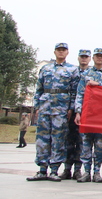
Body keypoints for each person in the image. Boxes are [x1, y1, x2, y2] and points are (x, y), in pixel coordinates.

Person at [27, 43, 80, 182]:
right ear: (55, 52)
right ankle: (42, 169)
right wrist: (37, 107)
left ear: (67, 52)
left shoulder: (72, 69)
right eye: (59, 50)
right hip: (45, 107)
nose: (61, 52)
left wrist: (71, 108)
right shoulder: (46, 68)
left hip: (61, 109)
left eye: (63, 50)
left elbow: (74, 91)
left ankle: (54, 170)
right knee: (42, 139)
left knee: (58, 139)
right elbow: (39, 88)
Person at [74, 47, 102, 183]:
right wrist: (78, 112)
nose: (99, 58)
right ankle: (86, 171)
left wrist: (98, 84)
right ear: (93, 57)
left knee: (99, 145)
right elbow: (80, 94)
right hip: (87, 114)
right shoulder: (86, 74)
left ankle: (97, 172)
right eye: (97, 56)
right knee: (86, 144)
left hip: (101, 115)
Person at [61, 49, 91, 180]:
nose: (84, 59)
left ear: (89, 59)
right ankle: (66, 168)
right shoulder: (71, 71)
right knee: (68, 141)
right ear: (78, 58)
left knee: (81, 142)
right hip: (69, 111)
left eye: (86, 57)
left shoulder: (92, 73)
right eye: (82, 57)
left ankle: (77, 169)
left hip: (85, 113)